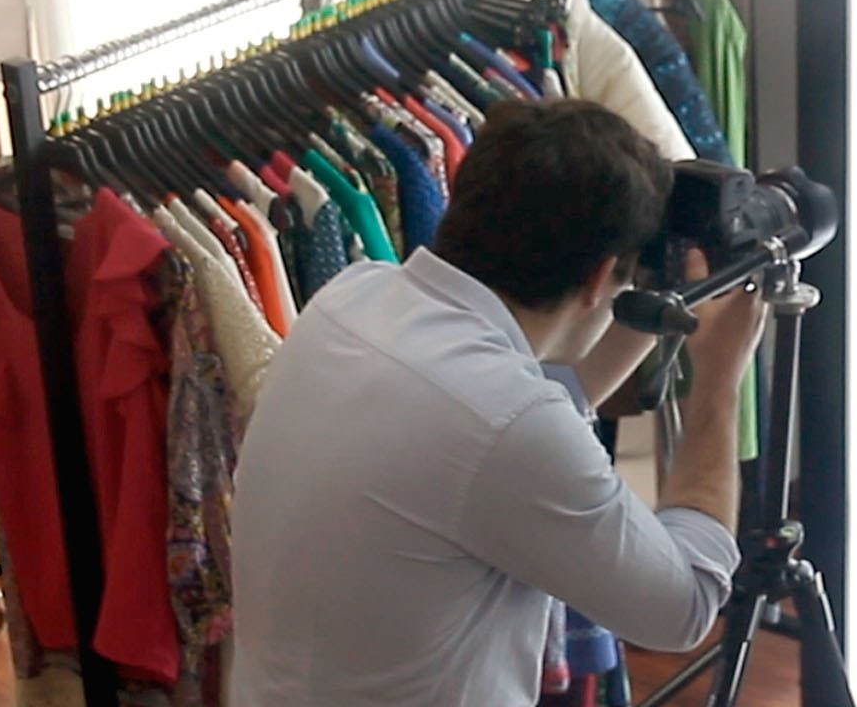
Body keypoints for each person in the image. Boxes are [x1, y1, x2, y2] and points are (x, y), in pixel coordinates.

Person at [228, 99, 769, 705]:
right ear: (599, 279)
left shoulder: (351, 298)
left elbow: (522, 416)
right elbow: (685, 606)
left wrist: (665, 296)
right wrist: (718, 378)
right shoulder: (508, 424)